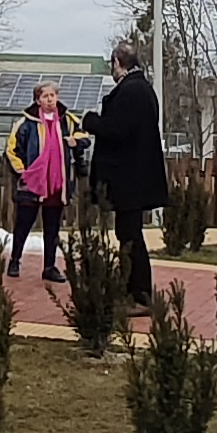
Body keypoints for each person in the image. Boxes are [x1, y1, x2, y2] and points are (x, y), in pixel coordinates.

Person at [82, 41, 165, 310]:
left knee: (130, 237)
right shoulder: (143, 89)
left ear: (117, 63)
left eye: (113, 64)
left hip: (130, 179)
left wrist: (91, 122)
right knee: (129, 234)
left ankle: (139, 296)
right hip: (135, 177)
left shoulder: (131, 91)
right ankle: (132, 291)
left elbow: (116, 129)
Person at [4, 80, 86, 282]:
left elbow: (84, 136)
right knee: (23, 224)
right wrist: (23, 172)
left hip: (57, 184)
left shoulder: (68, 120)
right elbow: (11, 149)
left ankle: (49, 267)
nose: (50, 99)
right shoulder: (25, 123)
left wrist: (76, 141)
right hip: (32, 183)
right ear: (37, 100)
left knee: (52, 227)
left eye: (53, 95)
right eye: (45, 96)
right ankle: (15, 260)